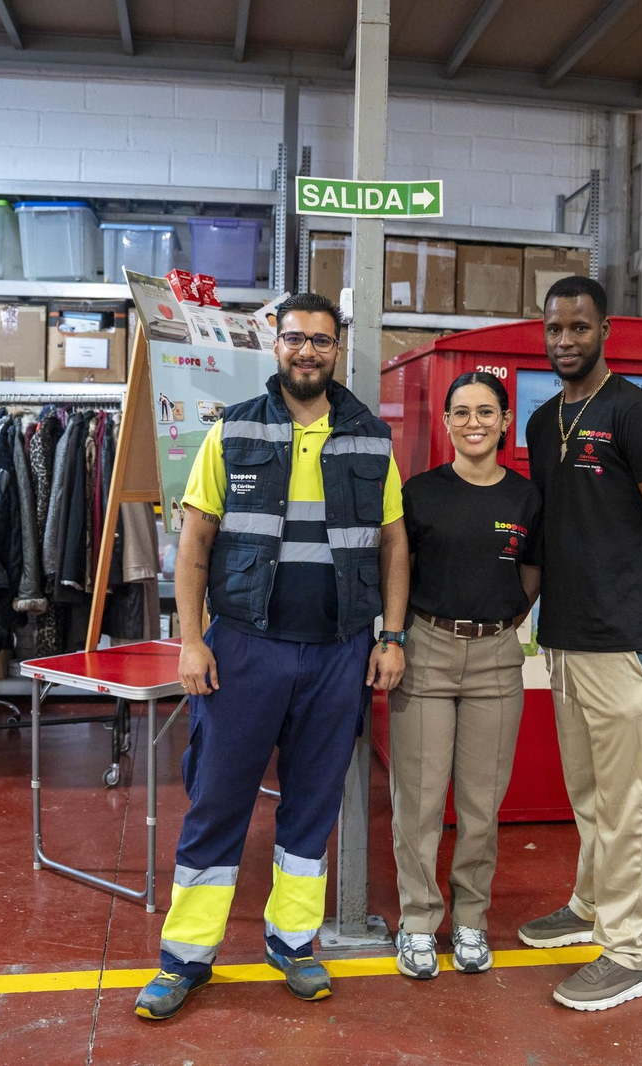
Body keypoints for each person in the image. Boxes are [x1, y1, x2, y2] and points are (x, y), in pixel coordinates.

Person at [134, 292, 410, 1021]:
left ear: (336, 348)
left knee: (312, 807)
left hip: (338, 654)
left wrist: (391, 636)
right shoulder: (232, 434)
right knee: (218, 801)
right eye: (296, 339)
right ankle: (185, 958)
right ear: (276, 346)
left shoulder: (370, 438)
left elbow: (393, 546)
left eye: (321, 340)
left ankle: (294, 943)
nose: (308, 352)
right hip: (244, 651)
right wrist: (192, 641)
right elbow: (193, 547)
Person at [518, 275, 642, 1012]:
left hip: (624, 638)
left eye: (579, 328)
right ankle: (590, 904)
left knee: (624, 801)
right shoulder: (538, 422)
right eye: (555, 328)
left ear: (605, 331)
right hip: (563, 636)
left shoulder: (636, 413)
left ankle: (629, 951)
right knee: (590, 792)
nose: (565, 340)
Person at [390, 371, 541, 980]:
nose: (473, 422)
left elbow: (531, 575)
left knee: (481, 806)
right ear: (446, 421)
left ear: (506, 421)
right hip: (425, 650)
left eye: (486, 411)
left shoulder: (527, 499)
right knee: (420, 804)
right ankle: (419, 922)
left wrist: (500, 622)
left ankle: (471, 919)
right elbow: (397, 567)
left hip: (497, 658)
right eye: (461, 412)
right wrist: (393, 638)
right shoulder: (419, 491)